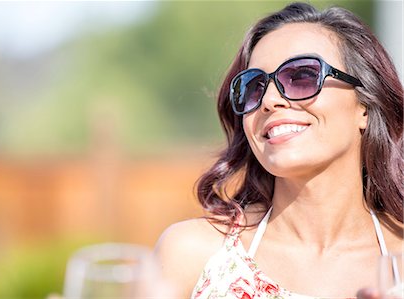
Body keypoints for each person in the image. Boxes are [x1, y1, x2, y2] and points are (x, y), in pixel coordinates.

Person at [154, 2, 403, 298]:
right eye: (252, 87)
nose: (269, 100)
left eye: (302, 76)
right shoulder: (191, 254)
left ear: (363, 106)